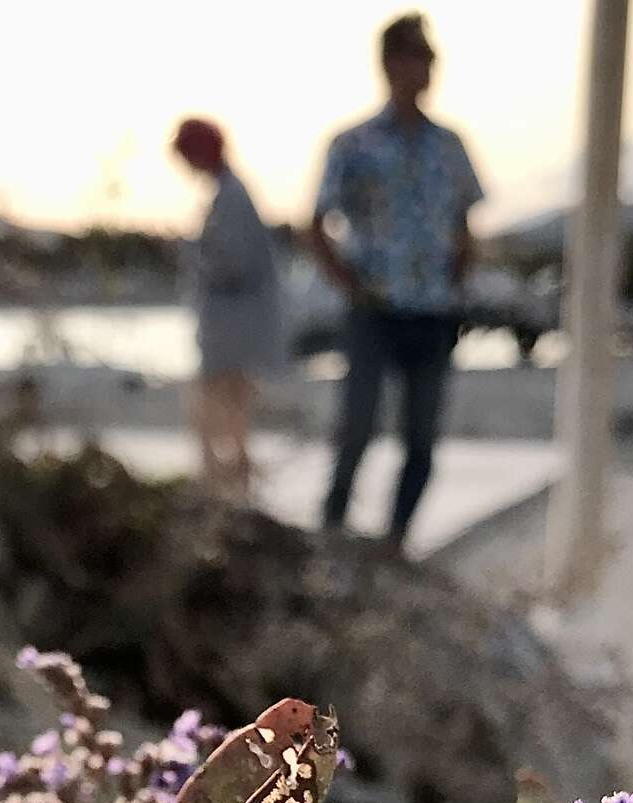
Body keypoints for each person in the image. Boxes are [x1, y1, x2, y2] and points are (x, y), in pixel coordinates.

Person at [311, 12, 484, 551]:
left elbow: (464, 222)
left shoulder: (449, 145)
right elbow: (316, 222)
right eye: (414, 58)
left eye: (429, 60)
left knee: (422, 437)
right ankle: (332, 533)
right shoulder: (354, 144)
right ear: (389, 64)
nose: (424, 70)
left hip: (432, 311)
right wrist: (348, 283)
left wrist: (457, 280)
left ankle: (396, 540)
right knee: (356, 428)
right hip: (376, 308)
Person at [172, 117, 284, 499]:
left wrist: (187, 252)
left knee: (216, 406)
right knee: (230, 407)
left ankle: (219, 484)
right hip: (236, 325)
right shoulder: (229, 194)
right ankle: (231, 482)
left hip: (232, 327)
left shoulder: (231, 197)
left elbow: (232, 264)